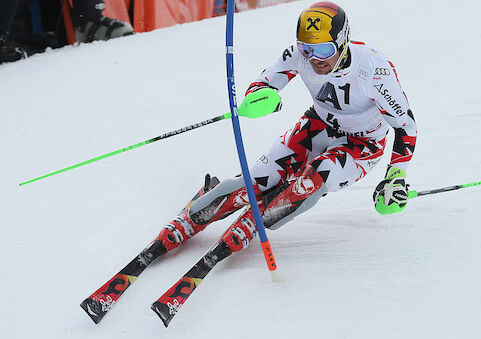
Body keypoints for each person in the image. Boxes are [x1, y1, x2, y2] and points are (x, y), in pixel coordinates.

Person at [155, 1, 417, 259]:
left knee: (317, 177)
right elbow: (263, 82)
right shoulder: (298, 56)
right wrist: (261, 96)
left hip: (363, 144)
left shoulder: (373, 69)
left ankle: (258, 221)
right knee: (262, 177)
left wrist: (395, 176)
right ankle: (193, 218)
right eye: (306, 48)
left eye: (324, 49)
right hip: (318, 125)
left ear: (343, 40)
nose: (315, 59)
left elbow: (405, 125)